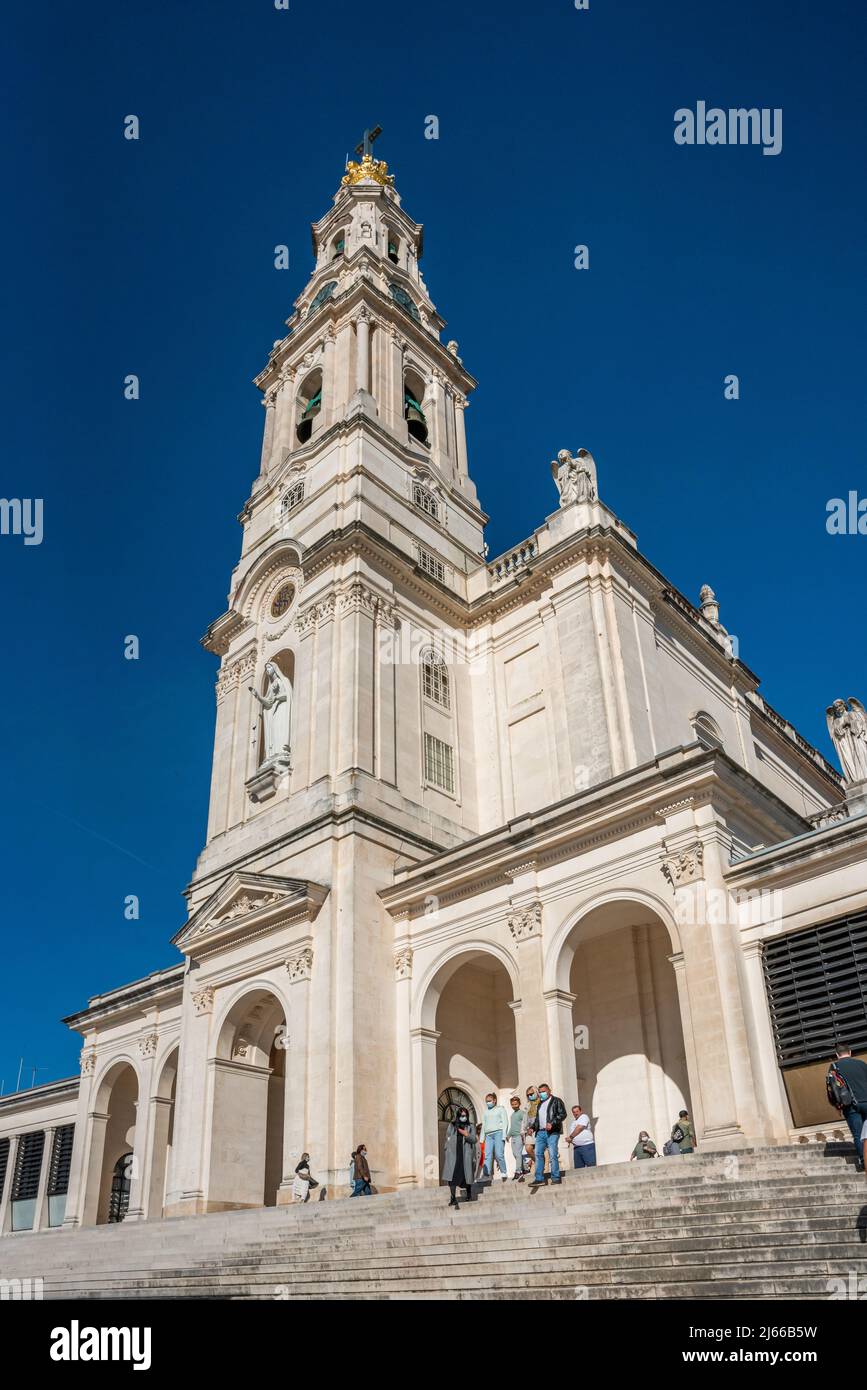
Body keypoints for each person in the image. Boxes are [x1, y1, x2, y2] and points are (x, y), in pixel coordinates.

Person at [826, 1042, 867, 1172]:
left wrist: (837, 1106)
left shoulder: (834, 1067)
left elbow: (831, 1089)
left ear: (837, 1054)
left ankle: (863, 1161)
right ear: (850, 1052)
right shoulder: (862, 1064)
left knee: (858, 1134)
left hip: (850, 1106)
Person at [529, 1083, 567, 1189]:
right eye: (540, 1092)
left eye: (543, 1091)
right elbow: (538, 1119)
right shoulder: (540, 1104)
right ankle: (539, 1179)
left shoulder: (556, 1101)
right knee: (538, 1154)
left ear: (549, 1091)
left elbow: (563, 1114)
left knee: (552, 1153)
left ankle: (555, 1177)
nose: (542, 1094)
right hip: (540, 1132)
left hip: (552, 1132)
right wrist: (532, 1127)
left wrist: (552, 1122)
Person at [442, 1105, 479, 1209]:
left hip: (465, 1154)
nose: (464, 1117)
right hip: (453, 1154)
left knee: (466, 1175)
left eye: (465, 1115)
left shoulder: (470, 1126)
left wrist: (465, 1134)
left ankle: (468, 1193)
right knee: (452, 1177)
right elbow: (448, 1137)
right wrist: (447, 1149)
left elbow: (474, 1140)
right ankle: (453, 1198)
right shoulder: (452, 1125)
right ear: (458, 1116)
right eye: (462, 1115)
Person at [481, 1093, 509, 1180]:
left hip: (498, 1133)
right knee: (487, 1155)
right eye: (486, 1101)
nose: (488, 1103)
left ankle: (504, 1172)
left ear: (494, 1100)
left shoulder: (500, 1109)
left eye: (489, 1101)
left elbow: (505, 1122)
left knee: (499, 1154)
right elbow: (484, 1125)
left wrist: (504, 1135)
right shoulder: (485, 1112)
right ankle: (486, 1175)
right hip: (489, 1135)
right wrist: (482, 1139)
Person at [566, 1103, 597, 1168]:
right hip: (577, 1148)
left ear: (581, 1111)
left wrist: (571, 1137)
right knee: (579, 1169)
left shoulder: (584, 1117)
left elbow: (580, 1127)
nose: (576, 1113)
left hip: (587, 1146)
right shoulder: (573, 1122)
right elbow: (573, 1134)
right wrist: (569, 1139)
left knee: (591, 1167)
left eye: (577, 1111)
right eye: (574, 1112)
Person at [507, 1095, 527, 1180]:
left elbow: (525, 1124)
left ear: (519, 1104)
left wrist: (524, 1135)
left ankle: (518, 1171)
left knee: (518, 1153)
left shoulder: (522, 1113)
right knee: (515, 1154)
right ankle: (525, 1168)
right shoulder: (512, 1115)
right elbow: (512, 1127)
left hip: (519, 1136)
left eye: (516, 1104)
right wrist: (508, 1135)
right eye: (512, 1104)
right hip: (513, 1137)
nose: (514, 1105)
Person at [524, 1086, 540, 1171]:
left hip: (539, 1129)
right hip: (529, 1129)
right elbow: (525, 1118)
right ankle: (537, 1161)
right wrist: (525, 1129)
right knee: (528, 1148)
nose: (530, 1096)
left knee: (538, 1149)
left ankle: (540, 1165)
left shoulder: (541, 1103)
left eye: (531, 1094)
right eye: (528, 1095)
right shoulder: (528, 1105)